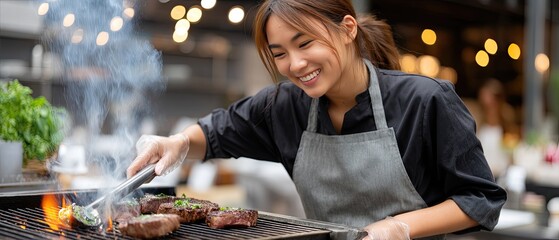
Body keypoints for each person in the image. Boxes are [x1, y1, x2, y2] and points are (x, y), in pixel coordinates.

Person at [127, 0, 506, 239]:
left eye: (305, 43)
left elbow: (481, 198)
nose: (295, 64)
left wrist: (399, 227)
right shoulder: (284, 106)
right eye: (279, 53)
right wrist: (174, 144)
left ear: (347, 30)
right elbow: (214, 132)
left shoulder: (425, 100)